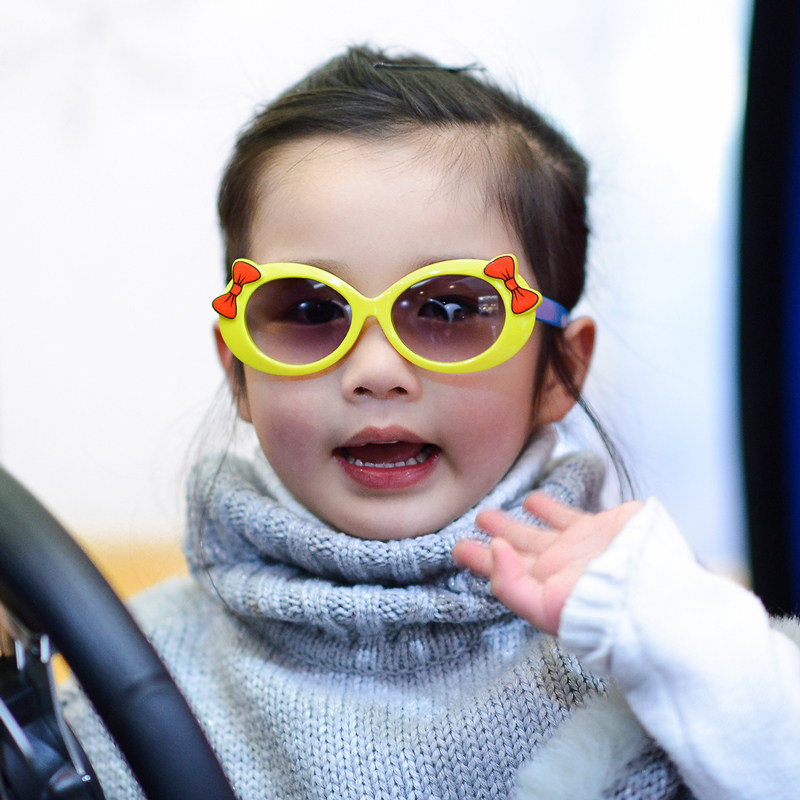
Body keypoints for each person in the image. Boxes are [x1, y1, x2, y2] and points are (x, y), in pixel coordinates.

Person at [60, 46, 800, 799]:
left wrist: (707, 657)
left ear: (559, 371)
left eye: (449, 308)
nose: (376, 371)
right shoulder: (120, 670)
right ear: (238, 370)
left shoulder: (676, 647)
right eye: (310, 311)